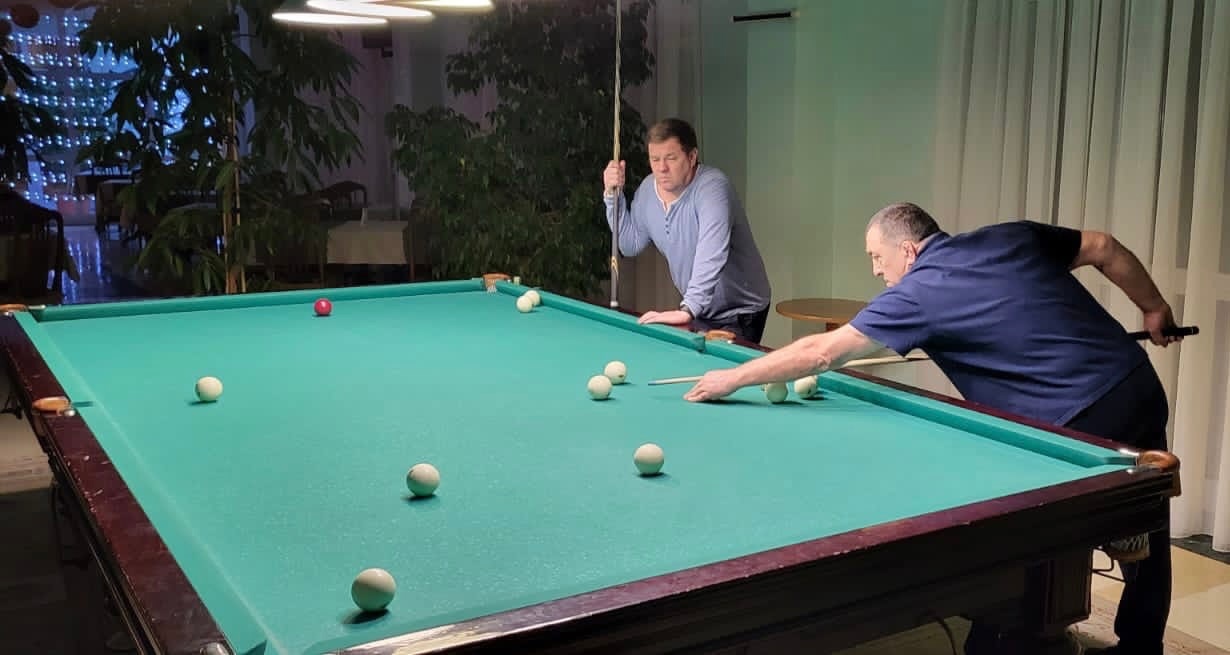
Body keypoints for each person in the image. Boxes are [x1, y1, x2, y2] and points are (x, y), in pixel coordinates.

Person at [683, 201, 1180, 655]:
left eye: (876, 257)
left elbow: (821, 353)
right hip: (1136, 384)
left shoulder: (918, 292)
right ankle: (1142, 645)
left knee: (1025, 537)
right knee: (1149, 518)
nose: (876, 271)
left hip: (1073, 423)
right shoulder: (1009, 236)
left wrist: (733, 378)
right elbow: (1103, 247)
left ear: (908, 250)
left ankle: (1006, 639)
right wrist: (1154, 307)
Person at [603, 117, 773, 343]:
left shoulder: (713, 189)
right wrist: (612, 196)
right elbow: (629, 244)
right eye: (655, 159)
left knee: (726, 367)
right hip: (699, 306)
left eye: (671, 158)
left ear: (692, 157)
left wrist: (688, 308)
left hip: (740, 309)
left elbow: (711, 253)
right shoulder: (647, 190)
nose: (662, 168)